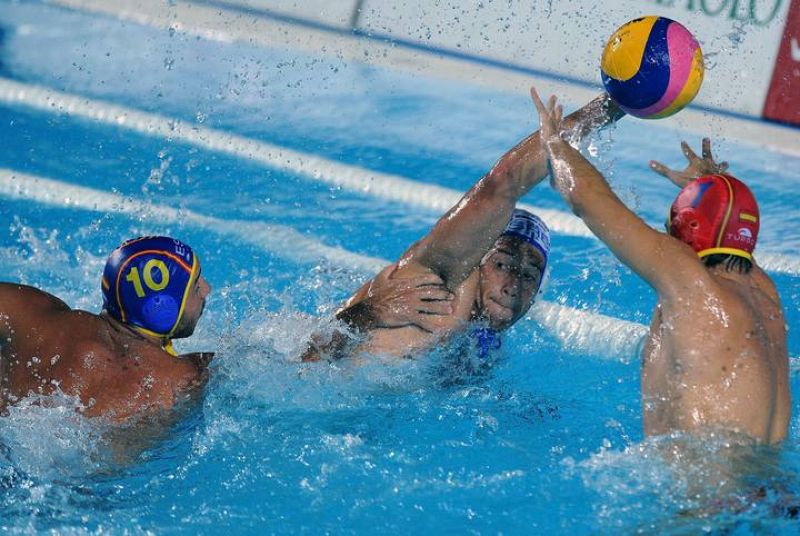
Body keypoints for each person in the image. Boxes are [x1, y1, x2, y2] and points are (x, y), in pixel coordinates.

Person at [531, 87, 790, 444]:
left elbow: (588, 200)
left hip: (716, 496)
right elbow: (729, 233)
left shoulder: (690, 282)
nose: (666, 235)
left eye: (672, 224)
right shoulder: (764, 292)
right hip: (769, 489)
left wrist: (555, 146)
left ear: (690, 229)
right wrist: (710, 187)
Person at [302, 89, 625, 361]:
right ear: (477, 258)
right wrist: (617, 103)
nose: (514, 285)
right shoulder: (439, 288)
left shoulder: (481, 338)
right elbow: (502, 184)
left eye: (528, 275)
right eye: (502, 264)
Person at [0, 236, 213, 422]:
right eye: (196, 285)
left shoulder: (33, 315)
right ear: (161, 307)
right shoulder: (182, 377)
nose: (206, 290)